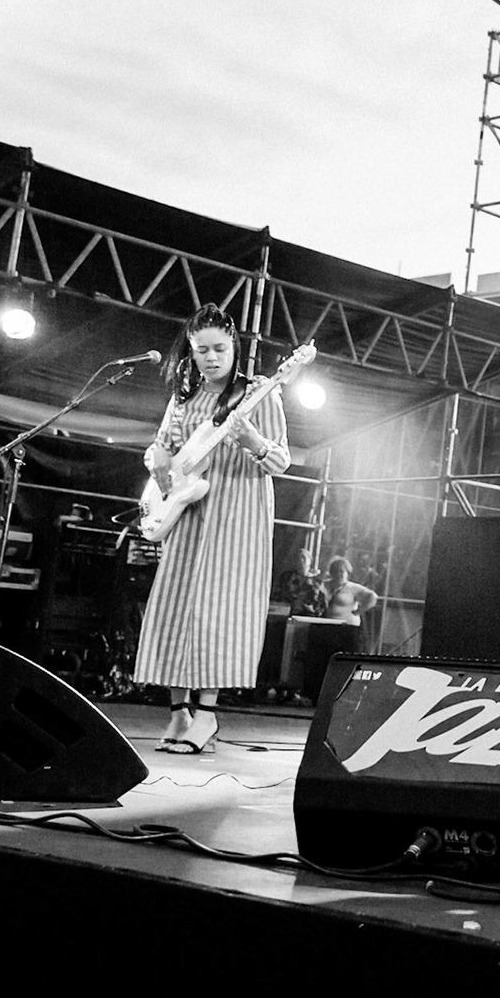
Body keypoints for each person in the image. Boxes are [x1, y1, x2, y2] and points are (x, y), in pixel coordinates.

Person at [136, 304, 292, 754]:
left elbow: (281, 461)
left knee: (218, 611)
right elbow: (162, 448)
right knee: (175, 603)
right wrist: (159, 460)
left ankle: (207, 715)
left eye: (219, 348)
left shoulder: (259, 394)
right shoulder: (184, 396)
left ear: (234, 349)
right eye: (201, 349)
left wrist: (253, 442)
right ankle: (178, 712)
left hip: (237, 513)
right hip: (187, 509)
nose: (210, 357)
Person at [318, 555, 377, 624]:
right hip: (327, 624)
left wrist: (359, 610)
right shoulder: (324, 585)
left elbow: (373, 597)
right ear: (331, 572)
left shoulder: (353, 587)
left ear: (347, 572)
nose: (338, 574)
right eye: (335, 571)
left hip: (347, 625)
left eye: (341, 571)